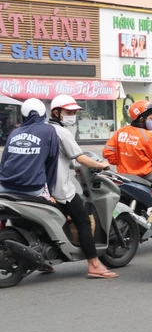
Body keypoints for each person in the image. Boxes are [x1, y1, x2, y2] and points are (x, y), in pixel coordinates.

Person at [47, 95, 118, 278]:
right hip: (60, 189)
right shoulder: (63, 133)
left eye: (74, 112)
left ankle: (43, 262)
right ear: (56, 112)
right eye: (68, 112)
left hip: (42, 188)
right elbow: (80, 158)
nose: (72, 116)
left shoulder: (44, 129)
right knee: (84, 221)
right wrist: (101, 165)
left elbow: (64, 159)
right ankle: (94, 264)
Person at [103, 100, 152, 186]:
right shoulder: (147, 136)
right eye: (151, 118)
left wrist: (123, 162)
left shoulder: (120, 132)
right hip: (145, 175)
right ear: (141, 119)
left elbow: (107, 152)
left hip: (123, 174)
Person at [0, 98, 59, 199]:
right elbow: (52, 162)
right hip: (33, 189)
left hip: (5, 186)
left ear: (23, 115)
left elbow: (4, 162)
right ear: (43, 114)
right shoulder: (49, 130)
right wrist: (50, 191)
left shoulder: (14, 132)